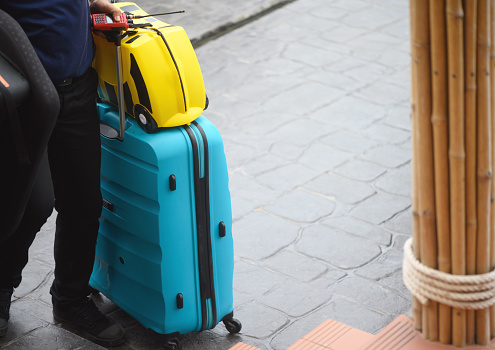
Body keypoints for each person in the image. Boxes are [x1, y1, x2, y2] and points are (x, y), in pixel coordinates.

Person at [0, 0, 126, 346]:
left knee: (84, 203)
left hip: (77, 89)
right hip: (23, 97)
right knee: (29, 205)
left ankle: (70, 298)